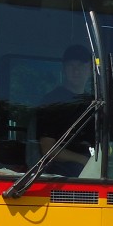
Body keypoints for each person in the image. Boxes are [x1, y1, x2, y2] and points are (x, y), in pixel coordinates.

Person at [35, 44, 96, 176]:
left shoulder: (95, 103)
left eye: (82, 66)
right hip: (60, 175)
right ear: (64, 69)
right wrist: (85, 161)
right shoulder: (53, 101)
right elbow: (47, 148)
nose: (76, 71)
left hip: (94, 173)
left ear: (90, 70)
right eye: (71, 66)